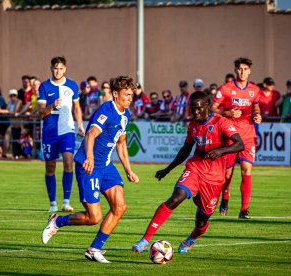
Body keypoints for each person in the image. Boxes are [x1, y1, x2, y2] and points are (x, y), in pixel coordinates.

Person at [41, 75, 139, 263]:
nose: (130, 98)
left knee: (120, 207)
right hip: (89, 166)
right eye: (127, 95)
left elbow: (121, 144)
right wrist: (90, 158)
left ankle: (94, 249)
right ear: (116, 94)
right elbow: (90, 134)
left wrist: (128, 170)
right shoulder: (106, 110)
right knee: (94, 217)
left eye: (131, 95)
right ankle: (57, 221)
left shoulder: (125, 114)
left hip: (107, 167)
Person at [132, 91, 244, 255]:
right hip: (195, 169)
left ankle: (191, 239)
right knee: (175, 198)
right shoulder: (193, 125)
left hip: (214, 178)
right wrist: (168, 169)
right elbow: (185, 151)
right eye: (193, 109)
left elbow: (240, 144)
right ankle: (145, 240)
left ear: (208, 105)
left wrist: (221, 151)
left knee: (202, 219)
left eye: (199, 108)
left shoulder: (222, 122)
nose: (196, 112)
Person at [211, 57, 262, 219]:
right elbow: (212, 108)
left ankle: (244, 209)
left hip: (248, 134)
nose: (242, 72)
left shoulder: (254, 90)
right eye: (240, 69)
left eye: (245, 69)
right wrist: (226, 113)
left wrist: (257, 115)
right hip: (230, 134)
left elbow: (256, 106)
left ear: (250, 71)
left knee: (247, 170)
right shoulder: (225, 89)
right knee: (227, 175)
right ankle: (225, 195)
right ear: (235, 70)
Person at [37, 56, 85, 212]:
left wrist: (80, 125)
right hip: (49, 132)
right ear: (51, 68)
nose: (58, 71)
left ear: (65, 69)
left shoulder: (72, 85)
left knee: (68, 162)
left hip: (67, 131)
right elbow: (41, 113)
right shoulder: (44, 87)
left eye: (60, 68)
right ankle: (52, 204)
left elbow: (76, 108)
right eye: (55, 68)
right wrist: (52, 105)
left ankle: (66, 201)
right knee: (50, 167)